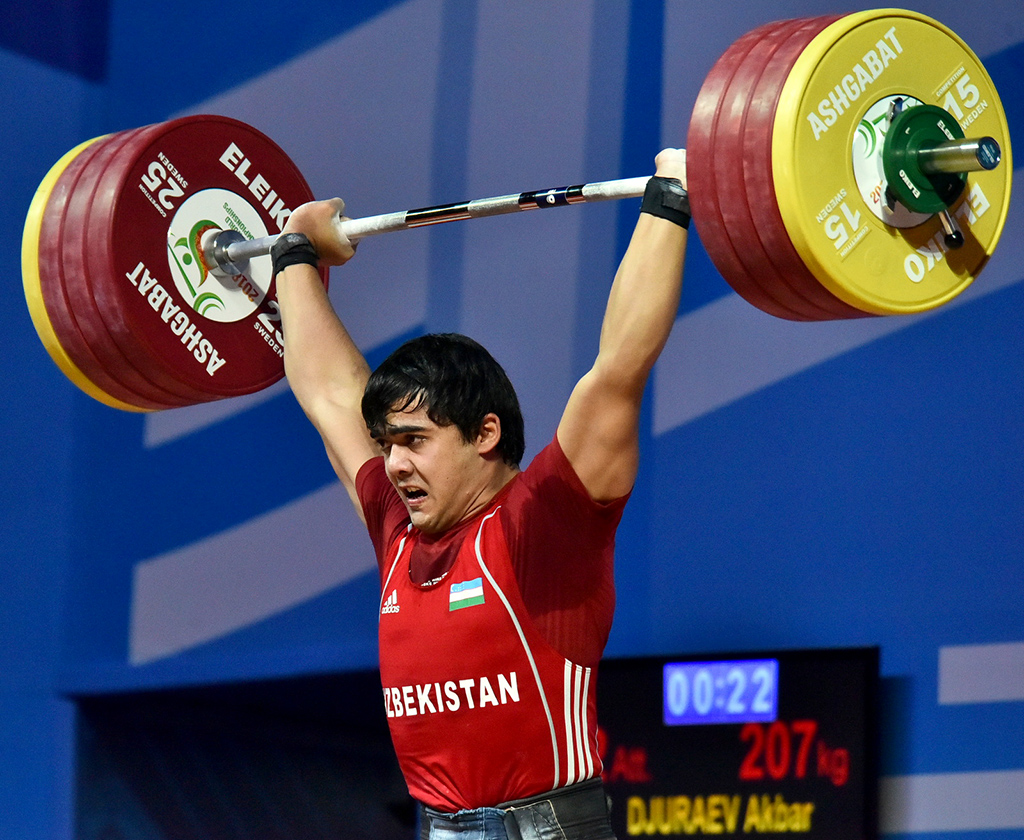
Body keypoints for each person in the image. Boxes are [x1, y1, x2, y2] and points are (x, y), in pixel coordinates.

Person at [273, 148, 689, 840]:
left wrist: (669, 199)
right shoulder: (396, 530)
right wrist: (293, 255)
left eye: (414, 440)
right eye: (388, 444)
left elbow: (617, 370)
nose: (394, 464)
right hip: (440, 828)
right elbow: (327, 393)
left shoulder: (545, 524)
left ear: (485, 433)